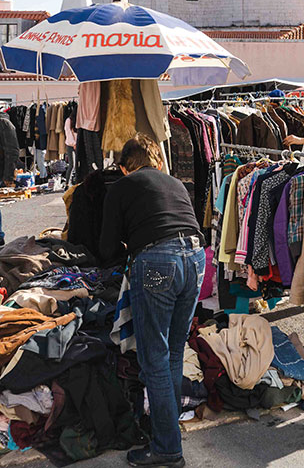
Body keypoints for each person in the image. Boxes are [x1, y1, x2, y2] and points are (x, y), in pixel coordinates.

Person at [99, 133, 206, 468]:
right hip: (196, 259)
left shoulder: (121, 186)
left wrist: (126, 249)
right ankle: (166, 432)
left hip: (159, 262)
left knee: (155, 359)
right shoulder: (174, 183)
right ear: (157, 161)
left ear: (123, 167)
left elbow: (106, 248)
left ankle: (167, 449)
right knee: (172, 353)